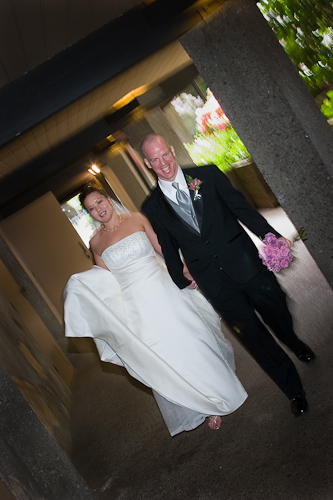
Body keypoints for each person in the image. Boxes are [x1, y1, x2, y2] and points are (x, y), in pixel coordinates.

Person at [141, 133, 316, 417]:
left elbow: (241, 209)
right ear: (148, 164)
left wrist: (270, 236)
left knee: (278, 311)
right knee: (253, 336)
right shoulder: (152, 207)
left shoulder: (206, 175)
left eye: (166, 155)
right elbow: (168, 247)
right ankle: (293, 390)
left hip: (245, 262)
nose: (164, 164)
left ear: (172, 151)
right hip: (214, 281)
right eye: (156, 160)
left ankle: (293, 341)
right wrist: (181, 279)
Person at [63, 185, 247, 436]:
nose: (98, 210)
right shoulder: (95, 242)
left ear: (108, 199)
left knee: (191, 339)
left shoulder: (136, 219)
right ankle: (203, 404)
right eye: (91, 209)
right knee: (165, 353)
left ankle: (216, 390)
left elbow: (162, 247)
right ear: (89, 213)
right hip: (136, 304)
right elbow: (105, 281)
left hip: (163, 286)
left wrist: (183, 269)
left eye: (99, 202)